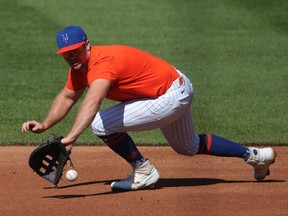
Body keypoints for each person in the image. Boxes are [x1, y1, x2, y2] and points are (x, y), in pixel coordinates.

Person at [22, 26, 276, 191]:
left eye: (75, 51)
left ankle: (143, 171)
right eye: (66, 54)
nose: (71, 57)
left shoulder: (102, 63)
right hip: (174, 88)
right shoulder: (78, 68)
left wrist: (70, 139)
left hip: (170, 95)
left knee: (100, 122)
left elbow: (93, 100)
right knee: (186, 146)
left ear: (87, 45)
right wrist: (45, 124)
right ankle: (255, 156)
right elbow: (68, 96)